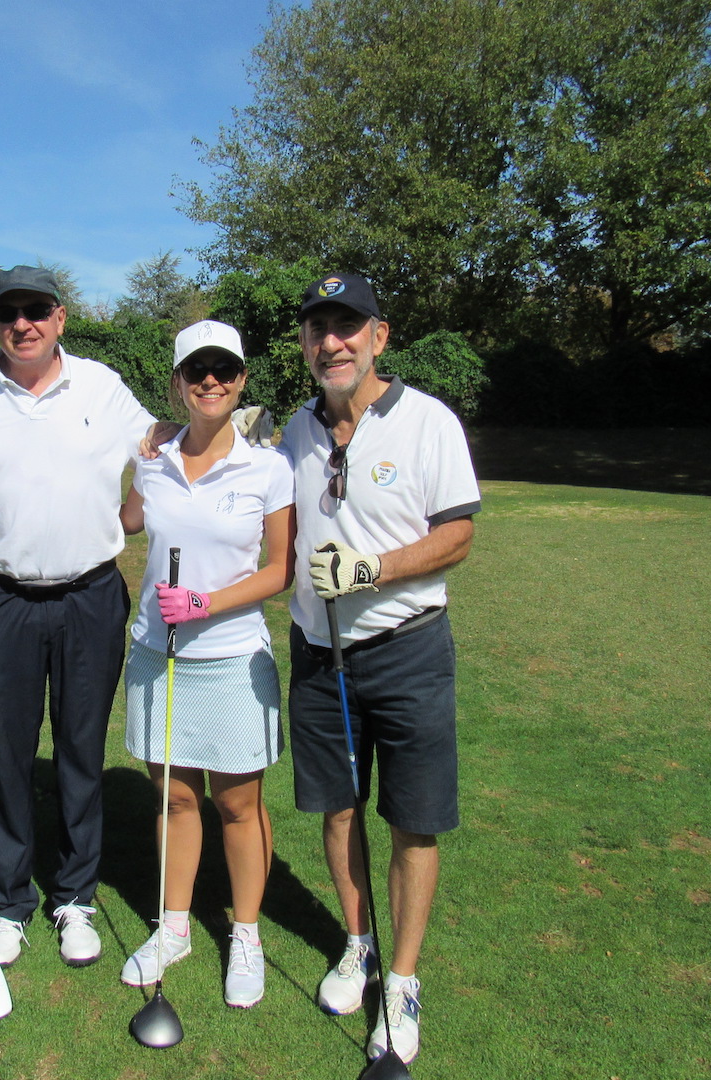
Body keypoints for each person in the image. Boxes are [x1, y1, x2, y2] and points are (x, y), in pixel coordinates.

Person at [0, 265, 156, 970]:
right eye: (8, 312)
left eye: (36, 310)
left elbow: (157, 450)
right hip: (1, 600)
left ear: (60, 316)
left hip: (90, 596)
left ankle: (75, 898)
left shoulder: (103, 387)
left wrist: (129, 519)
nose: (22, 323)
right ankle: (11, 903)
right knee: (6, 756)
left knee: (82, 750)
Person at [280, 273, 480, 1063]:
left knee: (412, 820)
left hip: (407, 652)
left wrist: (370, 571)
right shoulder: (294, 429)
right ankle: (357, 943)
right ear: (304, 343)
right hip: (318, 653)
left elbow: (457, 536)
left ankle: (401, 979)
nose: (332, 341)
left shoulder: (428, 422)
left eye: (347, 326)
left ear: (379, 336)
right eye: (318, 329)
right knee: (337, 809)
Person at [117, 320, 295, 1008]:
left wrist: (207, 602)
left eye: (224, 370)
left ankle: (245, 933)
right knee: (176, 796)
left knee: (237, 802)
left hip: (229, 656)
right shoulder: (153, 461)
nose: (211, 382)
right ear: (178, 384)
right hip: (155, 653)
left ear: (242, 379)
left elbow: (279, 569)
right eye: (197, 372)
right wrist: (134, 452)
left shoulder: (267, 468)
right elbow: (129, 521)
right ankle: (175, 926)